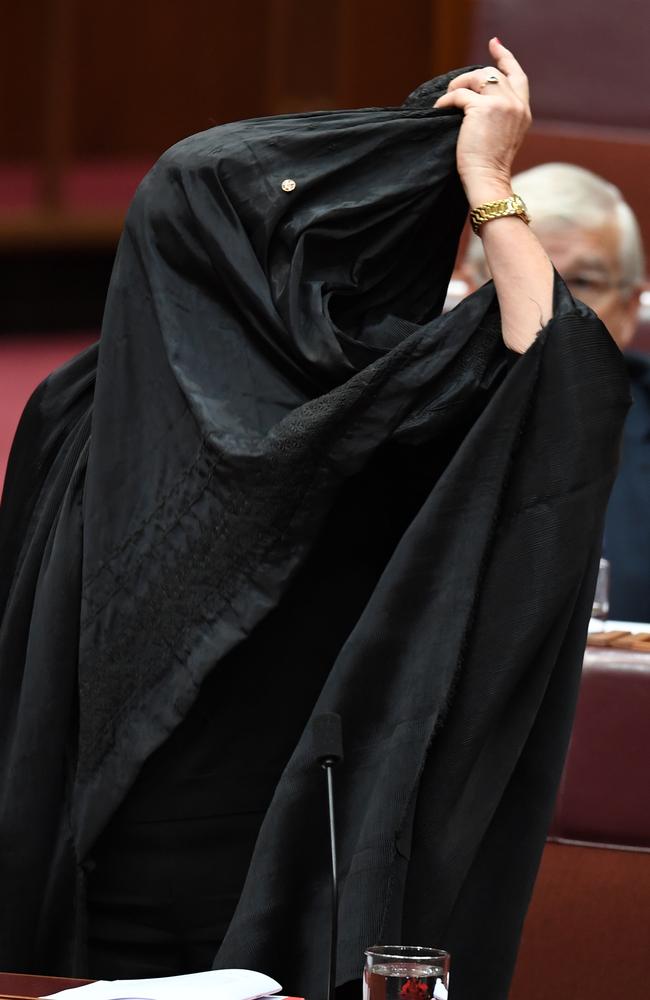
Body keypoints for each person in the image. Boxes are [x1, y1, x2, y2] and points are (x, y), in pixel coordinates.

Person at [0, 40, 630, 1000]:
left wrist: (453, 164)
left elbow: (556, 382)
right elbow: (558, 374)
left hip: (201, 874)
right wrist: (482, 180)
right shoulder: (310, 425)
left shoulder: (107, 408)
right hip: (191, 884)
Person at [463, 162, 650, 622]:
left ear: (629, 308)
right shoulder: (398, 416)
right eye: (514, 275)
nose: (549, 309)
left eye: (582, 282)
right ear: (468, 289)